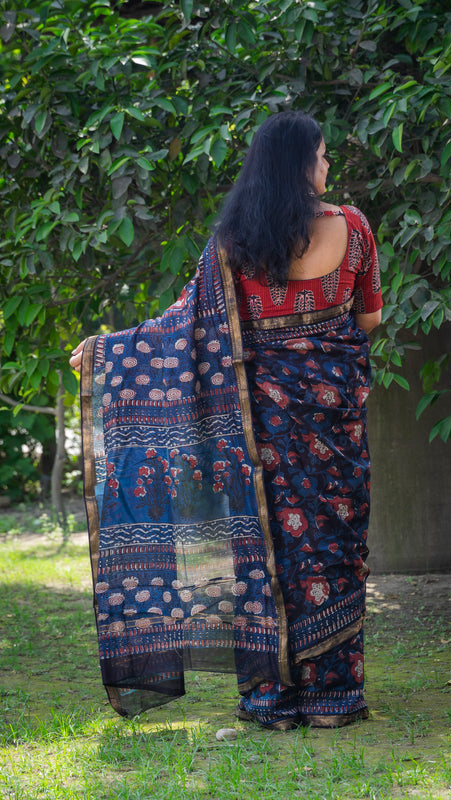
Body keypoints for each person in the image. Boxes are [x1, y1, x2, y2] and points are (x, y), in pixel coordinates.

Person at [70, 111, 382, 730]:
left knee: (262, 548)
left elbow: (180, 325)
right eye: (322, 154)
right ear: (302, 163)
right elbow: (369, 318)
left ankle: (271, 699)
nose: (328, 165)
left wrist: (107, 352)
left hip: (256, 425)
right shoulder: (354, 228)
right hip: (334, 423)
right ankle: (332, 697)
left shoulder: (235, 242)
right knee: (333, 546)